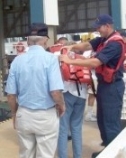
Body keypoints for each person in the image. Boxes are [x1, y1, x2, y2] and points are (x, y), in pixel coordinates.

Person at [60, 14, 125, 157]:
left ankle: (113, 153)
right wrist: (71, 46)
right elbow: (87, 45)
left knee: (110, 122)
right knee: (102, 121)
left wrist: (69, 61)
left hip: (112, 87)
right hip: (104, 85)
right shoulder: (104, 39)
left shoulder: (115, 43)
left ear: (107, 26)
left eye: (99, 28)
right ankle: (108, 148)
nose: (98, 31)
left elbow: (95, 62)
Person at [5, 23, 65, 158]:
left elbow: (10, 95)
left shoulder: (17, 61)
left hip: (24, 114)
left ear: (28, 39)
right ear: (44, 39)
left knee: (26, 154)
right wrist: (62, 105)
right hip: (45, 115)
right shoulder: (50, 59)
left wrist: (15, 114)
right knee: (45, 154)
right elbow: (55, 92)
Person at [57, 41, 88, 158]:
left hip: (67, 94)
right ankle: (78, 156)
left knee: (63, 128)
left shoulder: (64, 59)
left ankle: (63, 156)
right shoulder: (84, 59)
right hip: (82, 96)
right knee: (76, 127)